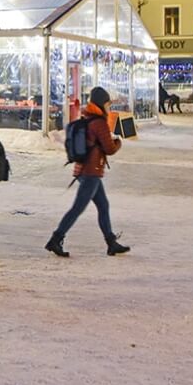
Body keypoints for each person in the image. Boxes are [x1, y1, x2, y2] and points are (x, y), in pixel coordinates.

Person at [45, 86, 130, 258]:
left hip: (86, 170)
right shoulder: (99, 123)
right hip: (91, 172)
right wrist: (118, 142)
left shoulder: (87, 118)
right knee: (77, 208)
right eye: (108, 104)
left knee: (103, 205)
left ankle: (111, 242)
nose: (109, 107)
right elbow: (109, 148)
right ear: (102, 104)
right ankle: (56, 239)